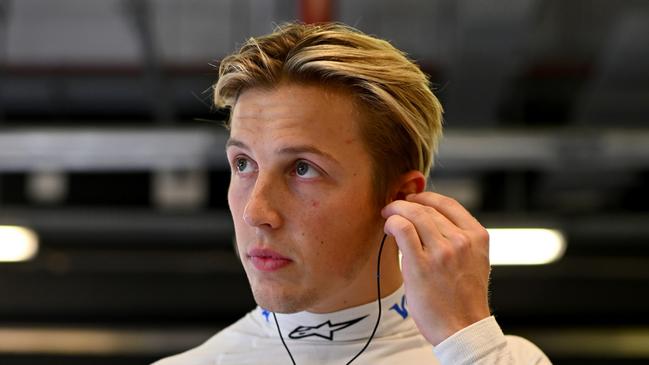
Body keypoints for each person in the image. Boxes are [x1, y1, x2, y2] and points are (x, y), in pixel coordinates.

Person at [154, 22, 551, 364]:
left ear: (400, 197)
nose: (255, 211)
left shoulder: (500, 358)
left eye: (303, 168)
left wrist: (469, 343)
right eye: (243, 164)